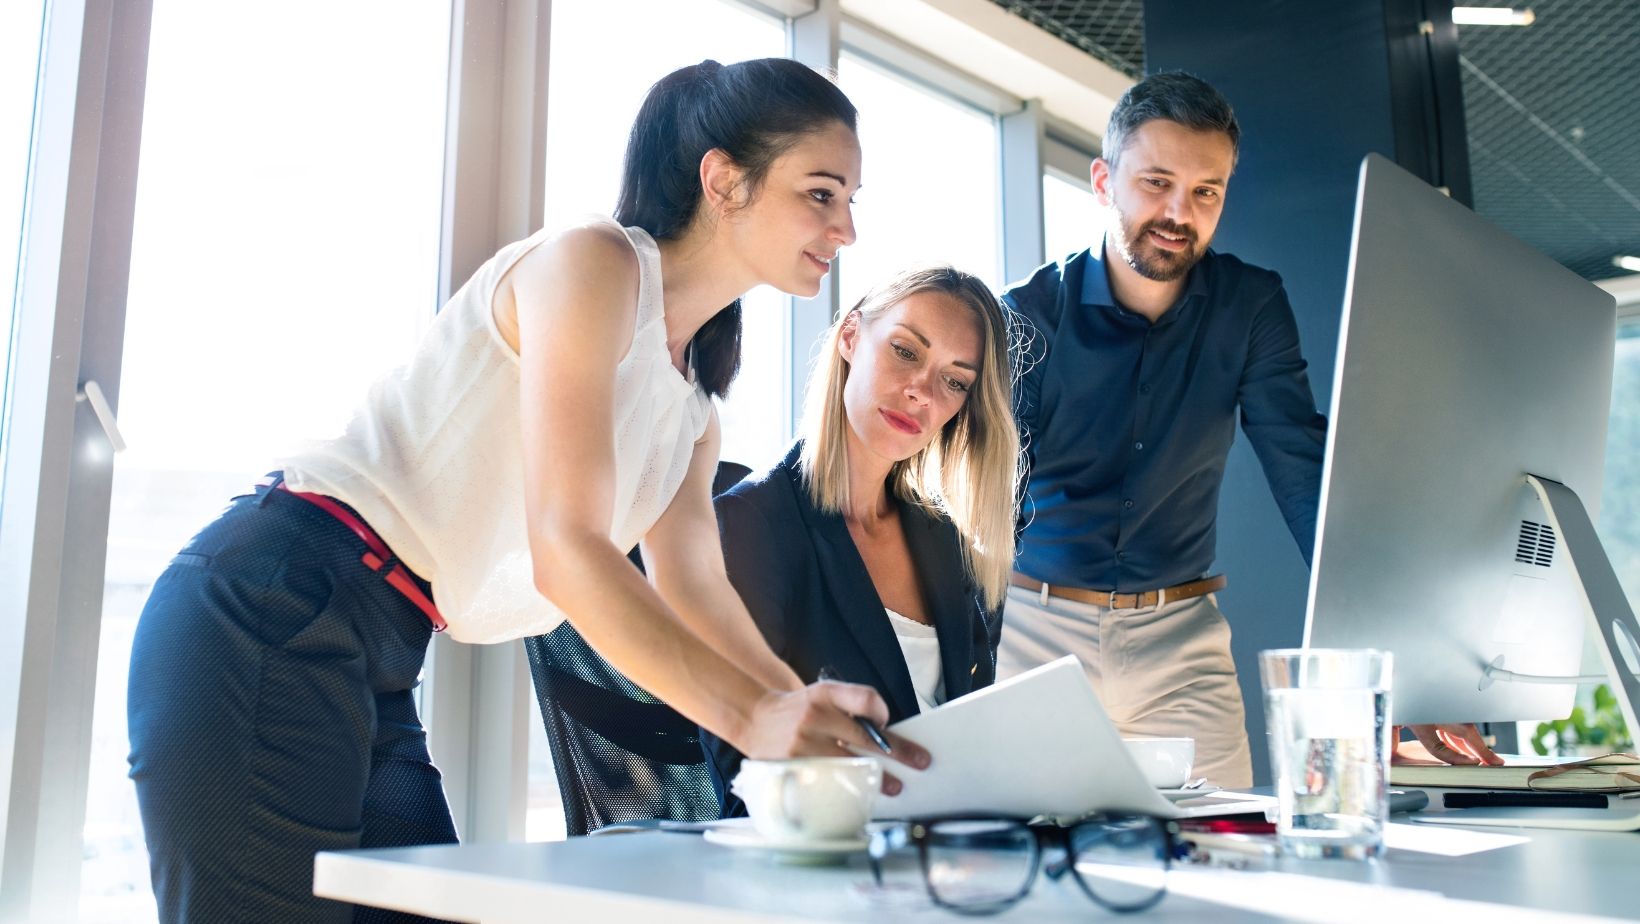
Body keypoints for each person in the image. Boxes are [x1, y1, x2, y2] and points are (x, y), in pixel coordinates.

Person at [125, 58, 929, 924]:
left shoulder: (693, 412)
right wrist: (759, 720)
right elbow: (567, 551)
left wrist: (807, 725)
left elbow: (698, 593)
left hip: (385, 648)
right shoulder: (593, 263)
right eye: (821, 192)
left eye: (851, 200)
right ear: (723, 180)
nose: (845, 227)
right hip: (275, 599)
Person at [996, 71, 1500, 787]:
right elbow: (991, 501)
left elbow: (1303, 474)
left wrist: (1404, 658)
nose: (1180, 212)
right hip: (1034, 632)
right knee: (1022, 861)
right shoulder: (1025, 314)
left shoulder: (1252, 305)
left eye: (1207, 192)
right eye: (1157, 182)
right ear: (1104, 180)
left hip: (1181, 637)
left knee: (1231, 866)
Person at [703, 266, 1020, 811]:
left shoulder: (948, 545)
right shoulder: (749, 526)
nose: (921, 391)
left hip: (950, 845)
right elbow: (743, 779)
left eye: (954, 381)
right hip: (829, 853)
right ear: (851, 337)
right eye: (905, 350)